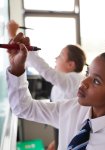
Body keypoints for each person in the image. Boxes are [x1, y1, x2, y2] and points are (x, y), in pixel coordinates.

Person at [7, 33, 105, 150]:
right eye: (88, 73)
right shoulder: (72, 108)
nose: (84, 82)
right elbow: (23, 108)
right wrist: (17, 69)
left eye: (96, 81)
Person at [7, 20, 87, 150]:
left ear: (71, 65)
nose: (56, 58)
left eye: (60, 56)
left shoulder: (74, 79)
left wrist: (13, 34)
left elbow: (46, 71)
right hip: (62, 129)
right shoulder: (65, 84)